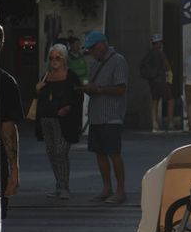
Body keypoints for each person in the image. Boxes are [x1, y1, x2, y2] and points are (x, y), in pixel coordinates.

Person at [81, 30, 129, 205]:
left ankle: (120, 190)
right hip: (96, 115)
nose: (92, 52)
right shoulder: (94, 64)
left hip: (112, 115)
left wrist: (98, 89)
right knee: (99, 153)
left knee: (114, 153)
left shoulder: (118, 61)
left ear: (102, 44)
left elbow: (121, 89)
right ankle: (106, 188)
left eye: (93, 48)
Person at [35, 44, 82, 199]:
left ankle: (64, 188)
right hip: (46, 119)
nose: (54, 61)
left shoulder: (71, 76)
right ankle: (59, 185)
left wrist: (68, 107)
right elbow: (39, 98)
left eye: (58, 58)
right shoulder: (45, 76)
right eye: (51, 58)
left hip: (64, 121)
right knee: (51, 153)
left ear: (64, 59)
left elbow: (78, 96)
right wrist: (37, 89)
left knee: (61, 152)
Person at [0, 27, 23, 219]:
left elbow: (8, 127)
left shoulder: (5, 82)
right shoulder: (5, 81)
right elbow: (7, 128)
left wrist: (13, 169)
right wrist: (14, 168)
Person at [139, 34, 171, 131]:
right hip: (160, 80)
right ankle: (170, 123)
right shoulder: (160, 53)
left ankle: (154, 124)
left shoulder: (148, 54)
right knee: (171, 100)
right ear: (158, 43)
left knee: (154, 102)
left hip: (152, 81)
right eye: (160, 42)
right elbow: (167, 66)